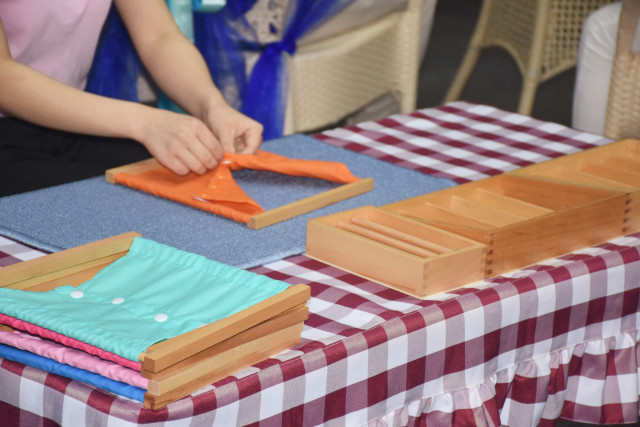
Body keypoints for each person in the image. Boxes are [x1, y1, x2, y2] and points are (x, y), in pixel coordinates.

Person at [0, 0, 263, 196]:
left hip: (73, 122)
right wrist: (146, 124)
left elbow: (158, 37)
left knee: (184, 183)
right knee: (116, 205)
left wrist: (213, 106)